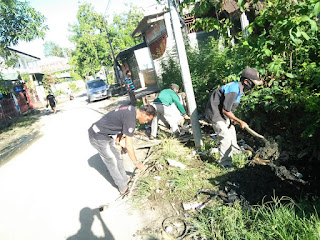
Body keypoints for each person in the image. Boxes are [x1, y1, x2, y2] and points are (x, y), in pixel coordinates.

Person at [88, 105, 156, 195]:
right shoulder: (130, 120)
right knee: (111, 161)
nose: (146, 122)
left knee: (118, 156)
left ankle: (125, 179)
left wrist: (117, 142)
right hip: (97, 135)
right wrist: (137, 163)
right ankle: (123, 189)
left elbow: (122, 128)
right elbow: (129, 145)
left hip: (106, 134)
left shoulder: (132, 110)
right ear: (143, 113)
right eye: (147, 119)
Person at [205, 68, 263, 167]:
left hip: (221, 113)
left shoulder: (239, 88)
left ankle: (235, 153)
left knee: (231, 130)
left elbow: (228, 108)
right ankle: (225, 164)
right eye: (253, 83)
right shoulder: (234, 90)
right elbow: (225, 110)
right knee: (225, 137)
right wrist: (240, 121)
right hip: (215, 113)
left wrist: (232, 119)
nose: (253, 86)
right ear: (246, 81)